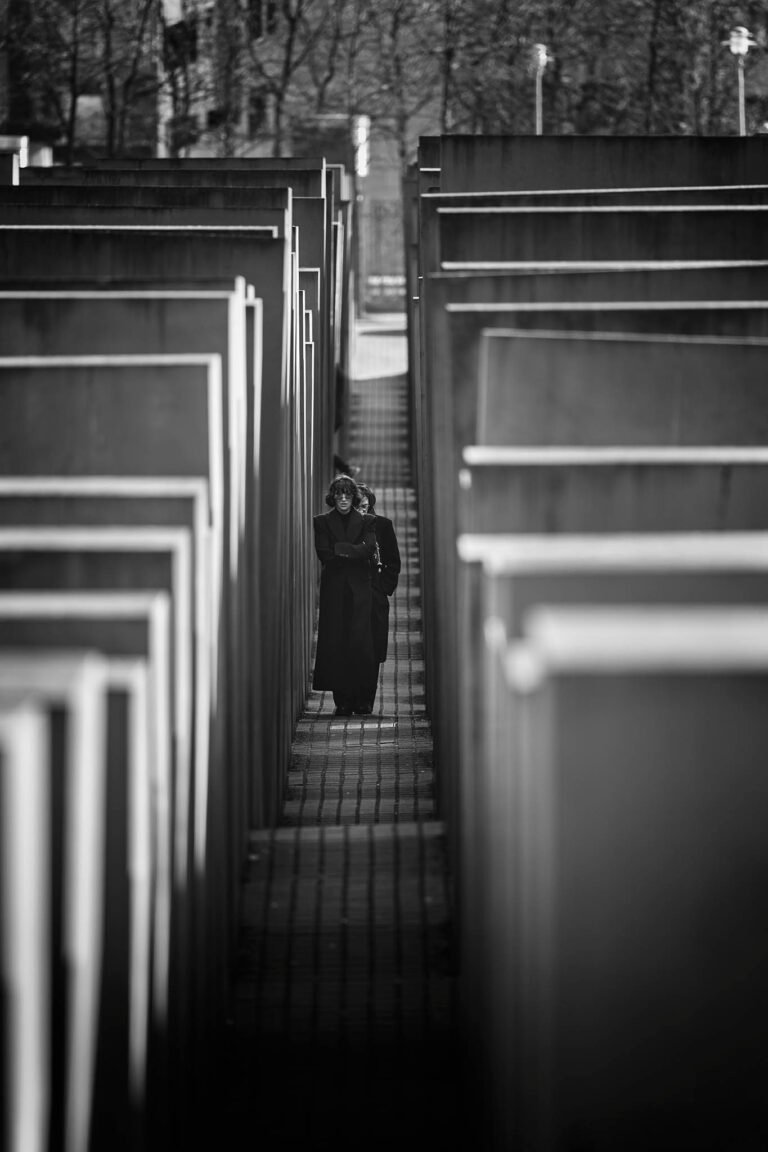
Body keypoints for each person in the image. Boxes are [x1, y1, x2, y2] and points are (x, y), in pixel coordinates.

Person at [312, 474, 377, 716]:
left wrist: (340, 550)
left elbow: (368, 550)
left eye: (347, 495)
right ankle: (342, 700)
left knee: (359, 644)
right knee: (336, 643)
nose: (343, 499)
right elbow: (324, 553)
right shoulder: (322, 522)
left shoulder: (367, 521)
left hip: (359, 592)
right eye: (338, 494)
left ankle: (360, 698)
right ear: (333, 497)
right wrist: (353, 552)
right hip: (335, 592)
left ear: (353, 497)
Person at [356, 483, 401, 714]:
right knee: (349, 648)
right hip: (350, 596)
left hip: (374, 596)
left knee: (372, 650)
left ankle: (366, 700)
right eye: (357, 506)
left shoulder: (383, 525)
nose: (361, 510)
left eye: (364, 505)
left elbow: (393, 561)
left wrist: (382, 588)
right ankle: (347, 699)